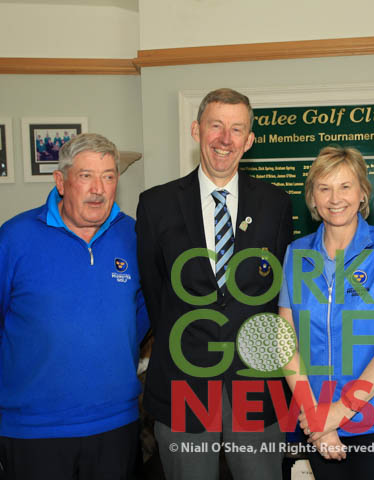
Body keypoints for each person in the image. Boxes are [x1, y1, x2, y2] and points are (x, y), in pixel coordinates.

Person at [0, 133, 149, 480]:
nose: (98, 189)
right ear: (61, 182)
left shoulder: (134, 236)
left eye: (109, 176)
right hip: (35, 430)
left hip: (116, 425)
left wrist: (112, 354)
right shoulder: (15, 237)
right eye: (86, 176)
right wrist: (27, 364)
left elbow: (143, 310)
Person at [136, 88, 293, 480]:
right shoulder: (156, 205)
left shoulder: (276, 204)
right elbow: (155, 295)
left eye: (236, 129)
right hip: (182, 381)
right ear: (196, 131)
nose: (225, 139)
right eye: (216, 126)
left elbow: (279, 293)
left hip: (256, 384)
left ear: (249, 140)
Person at [278, 145, 374, 479]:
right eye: (324, 188)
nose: (335, 198)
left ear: (363, 193)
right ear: (312, 198)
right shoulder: (296, 254)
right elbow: (287, 344)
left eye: (345, 186)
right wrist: (317, 416)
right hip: (317, 419)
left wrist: (340, 412)